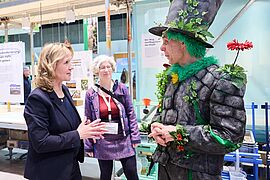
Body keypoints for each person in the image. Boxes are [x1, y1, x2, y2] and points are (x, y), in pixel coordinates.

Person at [148, 0, 247, 179]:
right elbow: (164, 114)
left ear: (183, 43)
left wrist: (178, 134)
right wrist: (155, 126)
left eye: (166, 41)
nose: (162, 48)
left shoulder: (221, 80)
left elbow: (230, 137)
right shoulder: (171, 78)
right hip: (166, 170)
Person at [24, 43, 107, 180]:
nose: (71, 67)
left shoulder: (64, 91)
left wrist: (88, 131)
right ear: (51, 65)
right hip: (48, 171)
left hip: (70, 166)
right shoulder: (38, 98)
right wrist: (78, 134)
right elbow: (41, 142)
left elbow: (68, 126)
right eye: (66, 62)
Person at [84, 55, 141, 180]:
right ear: (97, 71)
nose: (106, 70)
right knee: (105, 175)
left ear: (113, 68)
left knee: (131, 172)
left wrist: (135, 137)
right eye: (102, 67)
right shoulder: (91, 93)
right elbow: (88, 120)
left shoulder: (122, 89)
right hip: (103, 141)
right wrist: (88, 145)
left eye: (108, 66)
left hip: (124, 139)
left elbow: (131, 113)